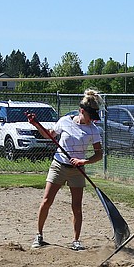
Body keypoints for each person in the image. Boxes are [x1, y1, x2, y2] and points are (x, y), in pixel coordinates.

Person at [31, 89, 104, 250]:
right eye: (89, 116)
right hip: (58, 166)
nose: (91, 120)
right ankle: (39, 235)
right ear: (81, 111)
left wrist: (83, 161)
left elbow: (99, 154)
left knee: (76, 207)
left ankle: (76, 241)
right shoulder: (65, 121)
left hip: (77, 171)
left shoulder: (93, 130)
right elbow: (49, 135)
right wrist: (36, 124)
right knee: (46, 201)